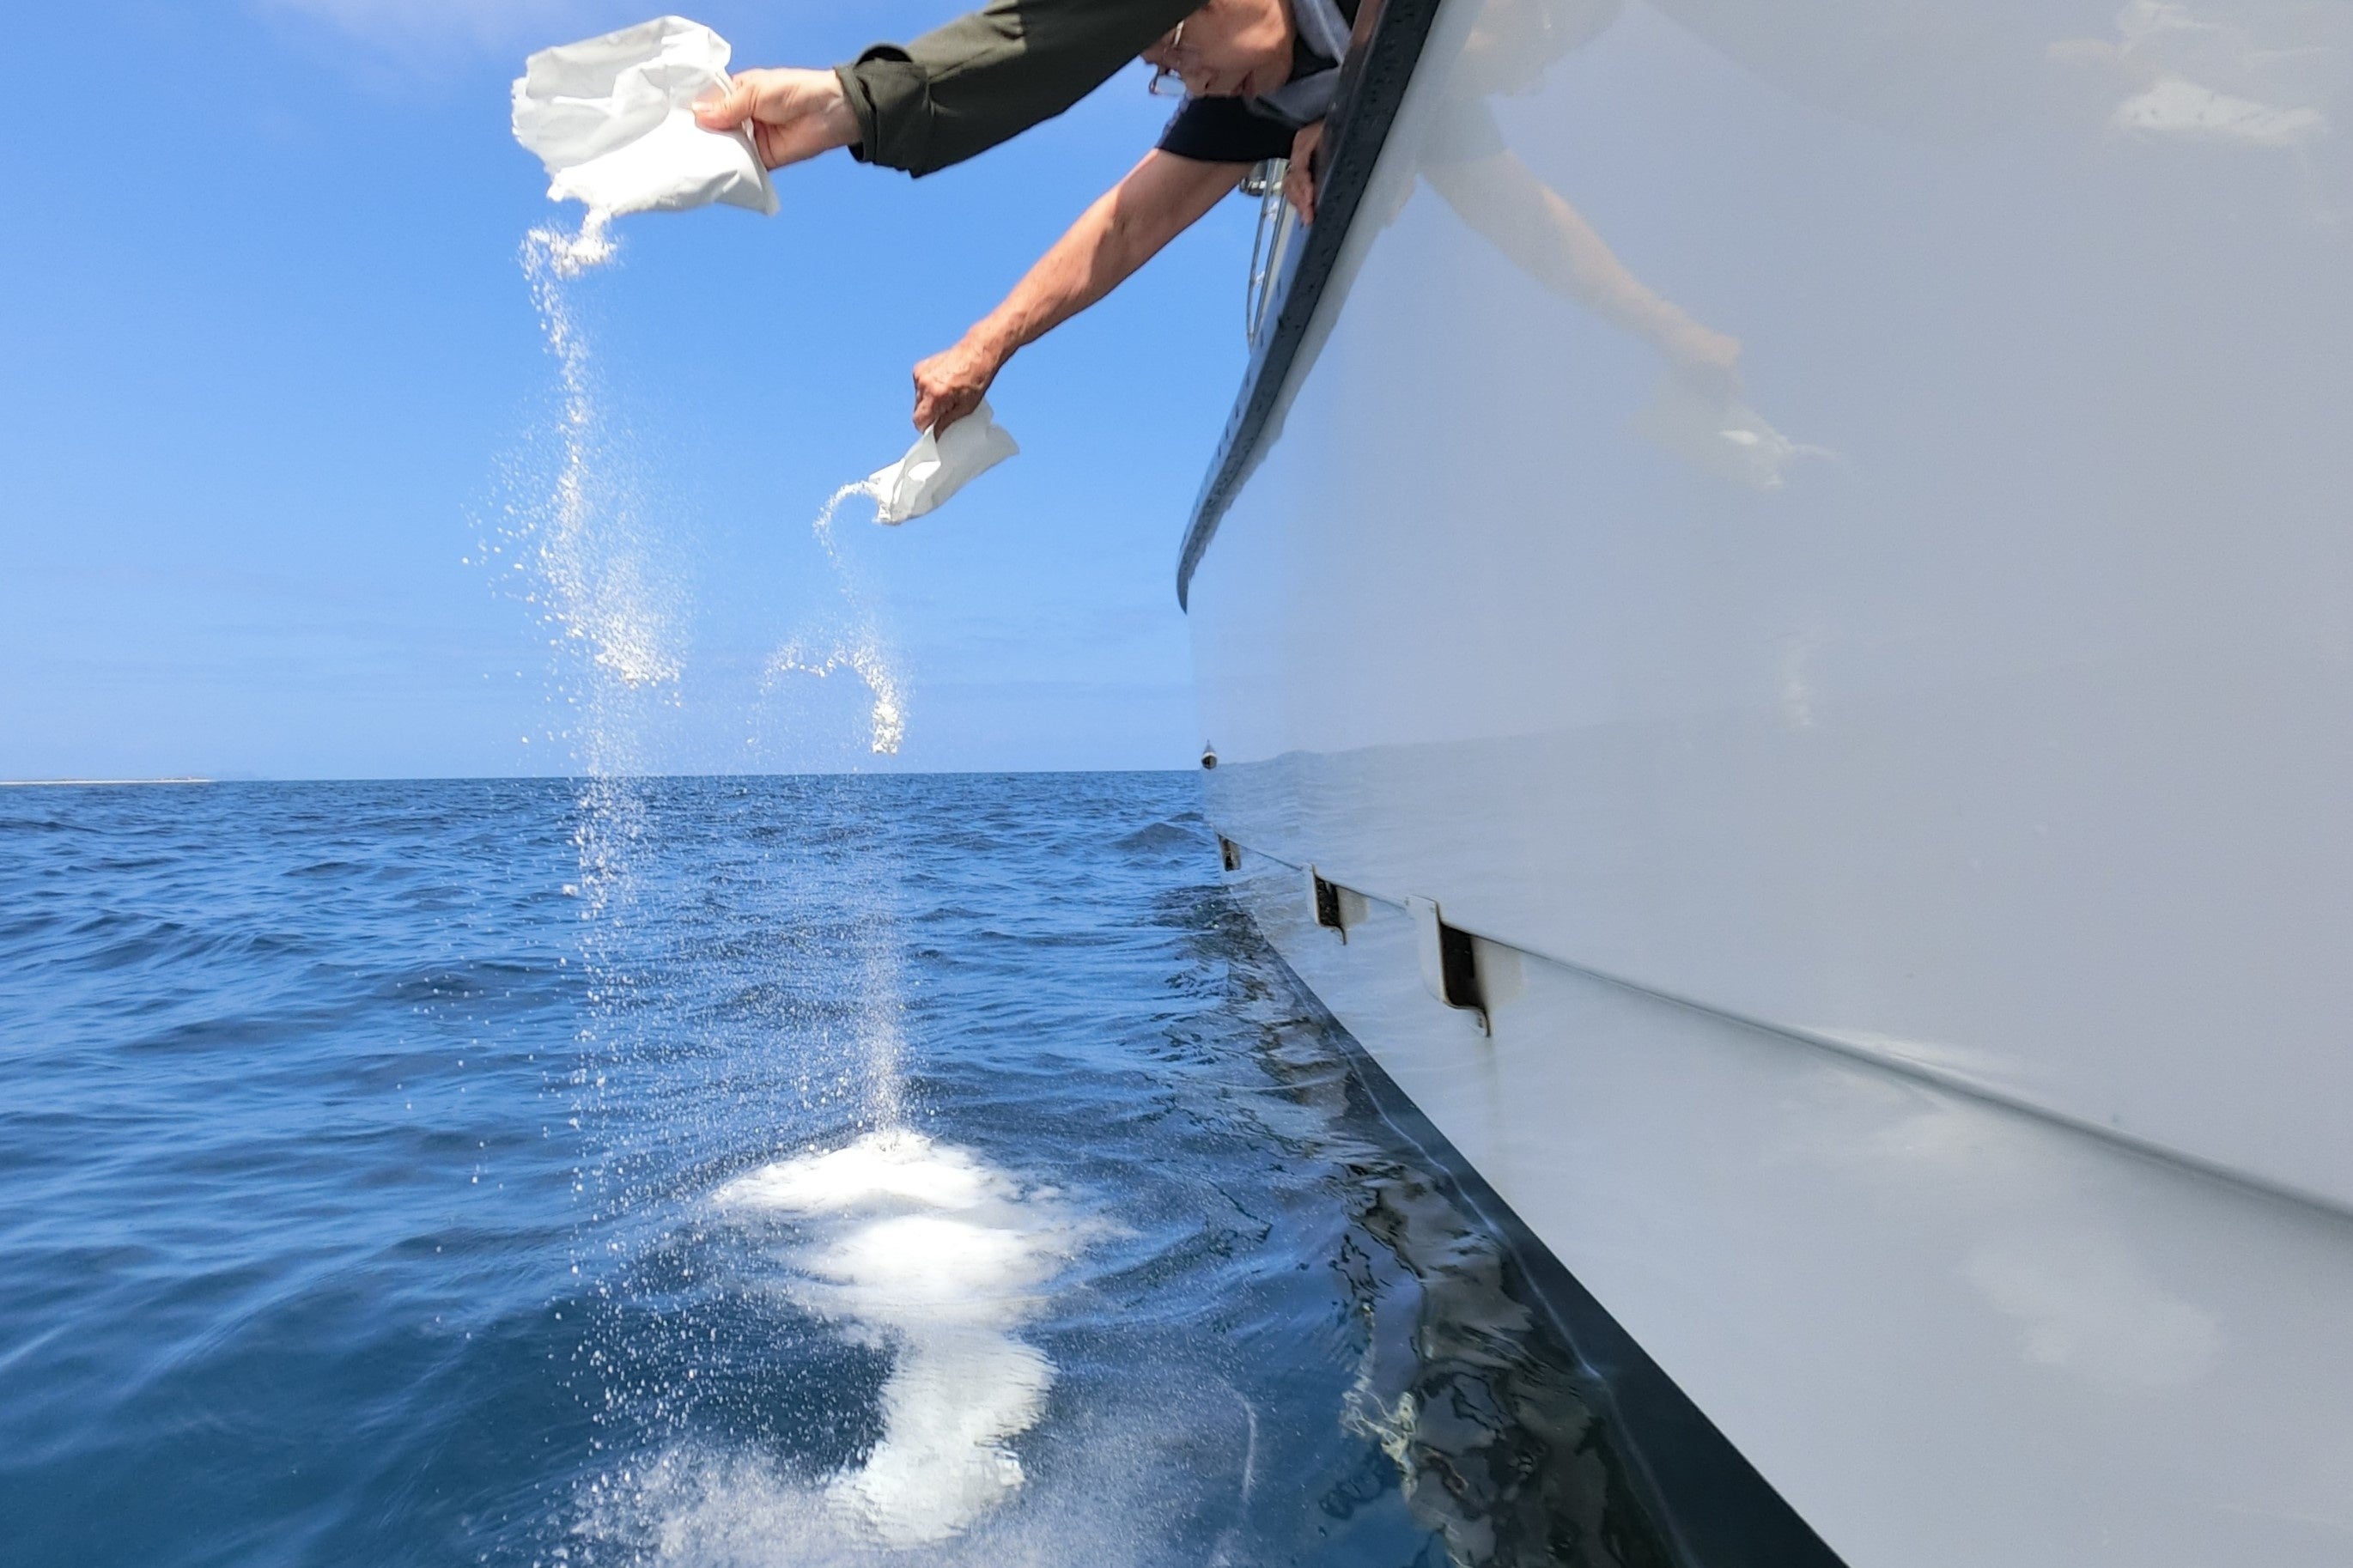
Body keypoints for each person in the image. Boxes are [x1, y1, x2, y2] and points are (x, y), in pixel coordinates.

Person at [697, 0, 1357, 431]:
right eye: (1167, 71)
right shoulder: (1253, 103)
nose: (1194, 81)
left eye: (1176, 44)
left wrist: (1349, 99)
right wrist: (987, 344)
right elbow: (1124, 227)